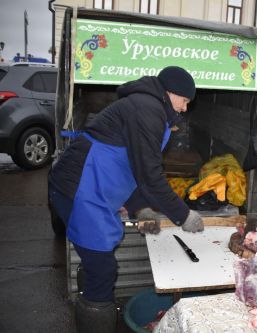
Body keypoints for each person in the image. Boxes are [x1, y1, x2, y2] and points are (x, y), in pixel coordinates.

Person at [48, 66, 204, 333]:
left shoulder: (148, 107)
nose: (185, 108)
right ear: (171, 92)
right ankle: (94, 311)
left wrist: (139, 207)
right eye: (185, 101)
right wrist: (183, 215)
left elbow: (132, 167)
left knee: (97, 260)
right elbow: (150, 175)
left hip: (88, 187)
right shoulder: (148, 109)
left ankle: (91, 296)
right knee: (102, 268)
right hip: (78, 189)